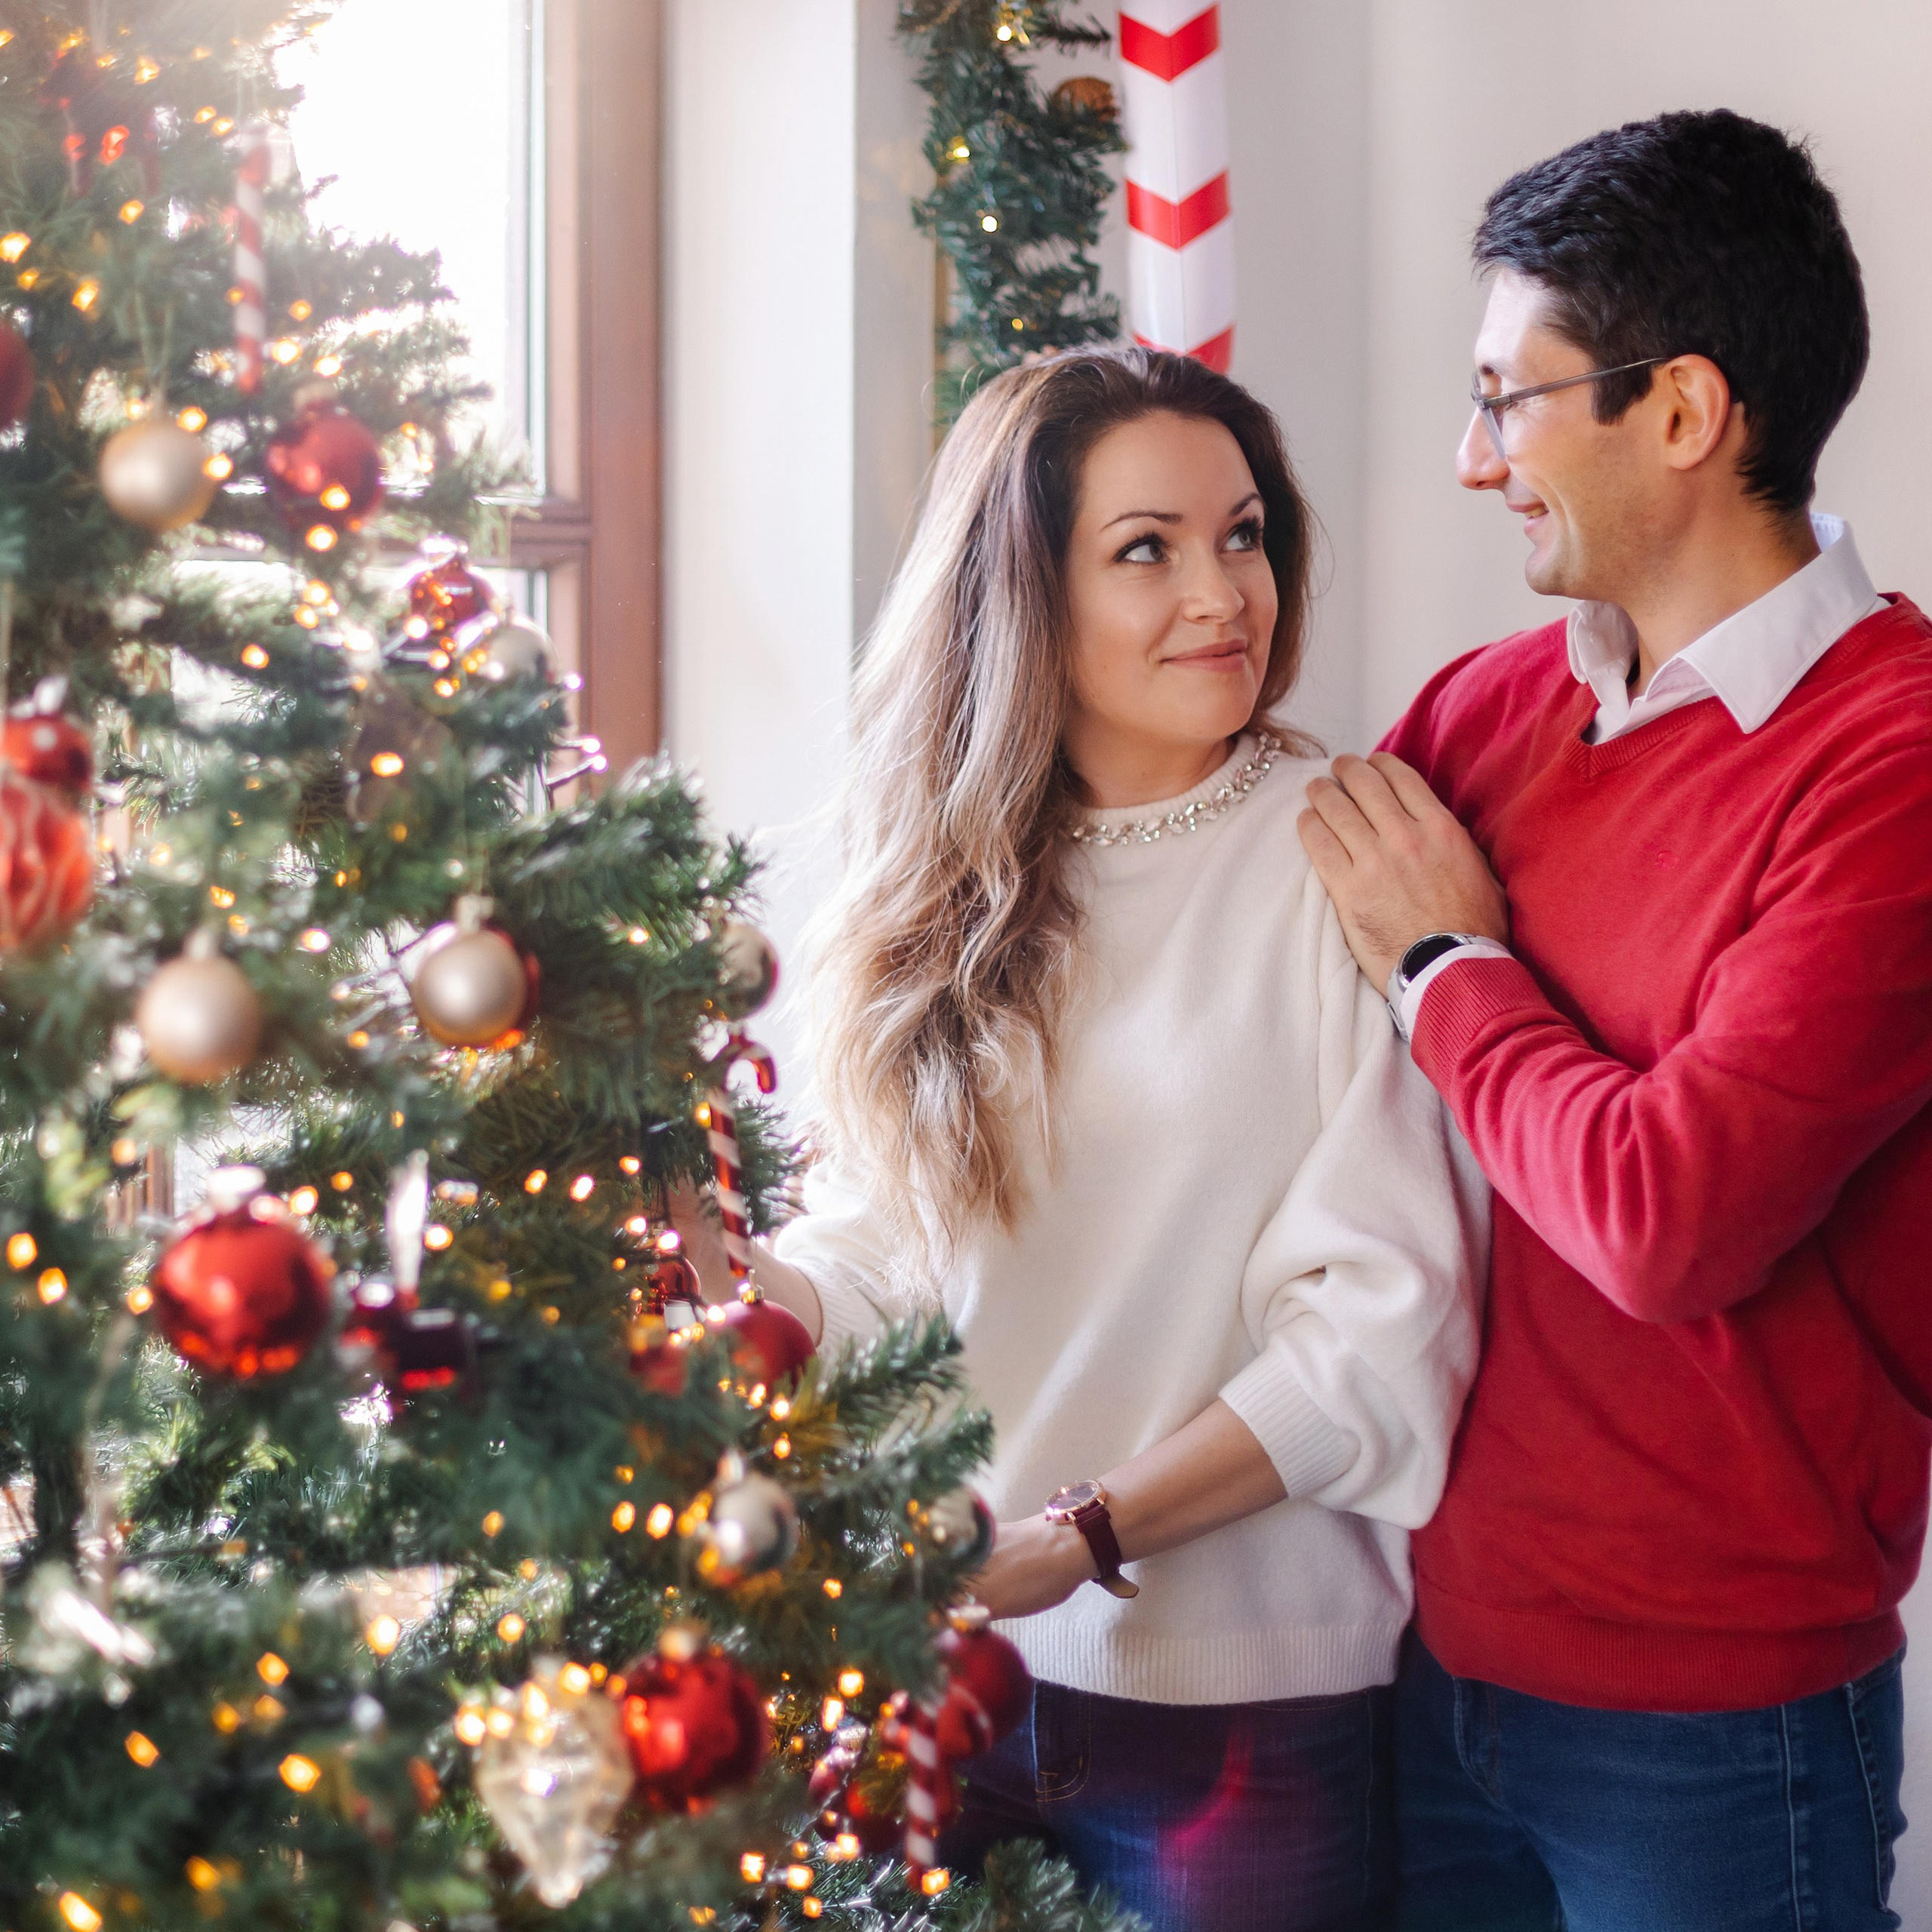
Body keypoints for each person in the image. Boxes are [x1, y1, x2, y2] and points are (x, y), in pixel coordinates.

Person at [672, 346, 1486, 1932]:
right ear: (1022, 592)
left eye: (1241, 534)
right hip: (930, 1678)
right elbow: (887, 1257)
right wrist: (721, 1280)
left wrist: (1083, 1533)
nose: (1220, 593)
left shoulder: (1351, 850)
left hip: (1239, 1712)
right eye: (1147, 549)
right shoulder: (922, 889)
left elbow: (1381, 1333)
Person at [1297, 109, 1932, 1930]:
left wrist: (1445, 967)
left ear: (1677, 413)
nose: (1467, 455)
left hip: (1721, 1729)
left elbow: (1668, 1216)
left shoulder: (1890, 759)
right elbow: (1257, 977)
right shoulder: (1483, 711)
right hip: (1423, 1658)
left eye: (1507, 399)